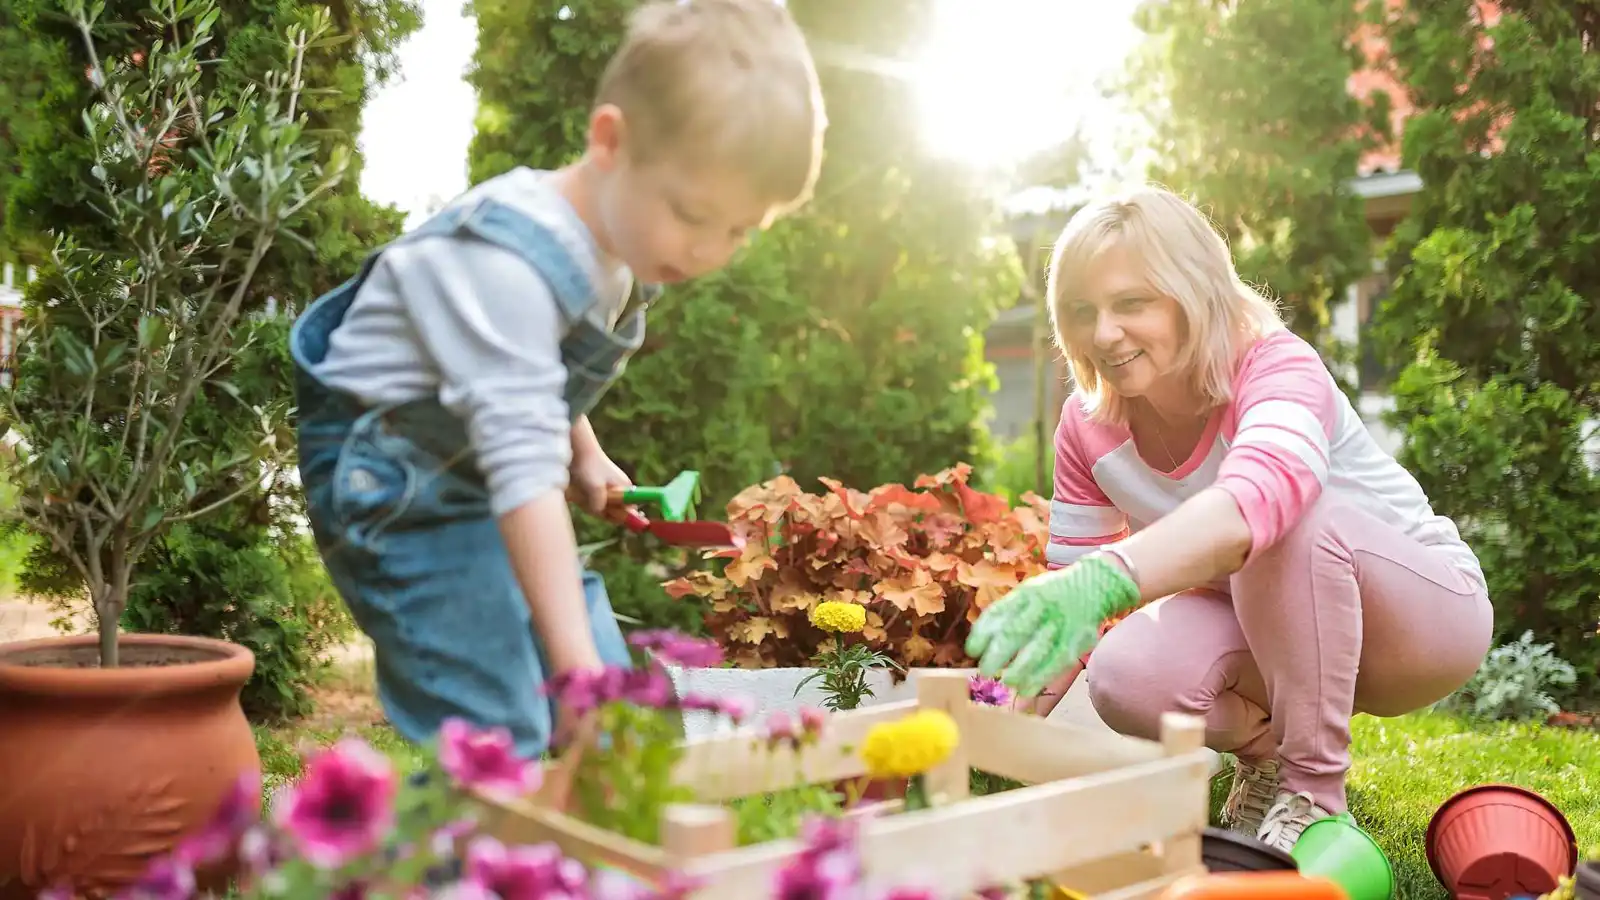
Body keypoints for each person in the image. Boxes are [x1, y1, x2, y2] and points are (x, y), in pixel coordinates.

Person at [288, 0, 827, 761]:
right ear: (610, 141)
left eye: (740, 230)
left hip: (471, 470)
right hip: (395, 491)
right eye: (692, 214)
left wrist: (584, 452)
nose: (709, 249)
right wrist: (574, 676)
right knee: (497, 728)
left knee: (603, 680)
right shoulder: (506, 262)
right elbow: (515, 456)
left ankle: (567, 861)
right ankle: (440, 868)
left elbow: (524, 380)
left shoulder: (615, 243)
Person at [966, 185, 1492, 853]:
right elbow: (1079, 600)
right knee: (1126, 673)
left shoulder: (1276, 366)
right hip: (1275, 633)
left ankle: (1315, 795)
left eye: (1131, 303)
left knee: (1285, 522)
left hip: (1421, 624)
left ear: (1193, 292)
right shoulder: (1088, 425)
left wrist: (1112, 575)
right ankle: (1270, 755)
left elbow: (1258, 502)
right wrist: (999, 714)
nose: (1103, 334)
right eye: (1081, 311)